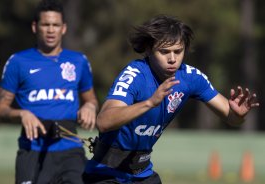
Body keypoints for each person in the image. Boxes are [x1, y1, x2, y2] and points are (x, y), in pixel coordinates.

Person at [82, 15, 259, 184]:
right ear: (150, 49)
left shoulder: (191, 78)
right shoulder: (135, 75)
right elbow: (104, 121)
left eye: (178, 51)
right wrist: (149, 102)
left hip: (142, 174)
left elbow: (232, 118)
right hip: (105, 174)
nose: (172, 59)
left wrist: (238, 115)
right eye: (164, 52)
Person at [0, 0, 99, 183]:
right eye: (46, 24)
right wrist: (21, 114)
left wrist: (89, 106)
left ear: (63, 28)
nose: (51, 30)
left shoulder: (78, 61)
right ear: (35, 27)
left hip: (70, 151)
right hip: (32, 150)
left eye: (55, 25)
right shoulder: (18, 62)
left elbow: (92, 100)